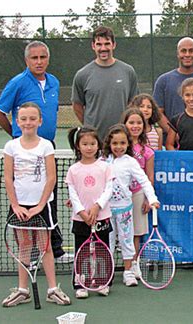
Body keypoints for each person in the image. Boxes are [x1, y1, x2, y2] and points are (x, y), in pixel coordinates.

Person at [0, 40, 67, 262]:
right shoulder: (17, 83)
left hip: (47, 149)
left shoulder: (53, 82)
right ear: (27, 60)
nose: (39, 61)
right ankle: (30, 252)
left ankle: (55, 249)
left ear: (48, 59)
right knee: (24, 195)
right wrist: (16, 137)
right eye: (34, 58)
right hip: (23, 151)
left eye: (42, 57)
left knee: (49, 196)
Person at [2, 102, 71, 307]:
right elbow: (7, 178)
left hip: (42, 206)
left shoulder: (46, 145)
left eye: (32, 118)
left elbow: (51, 178)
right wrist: (15, 205)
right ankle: (22, 290)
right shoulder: (11, 146)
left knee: (45, 247)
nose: (28, 122)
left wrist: (41, 205)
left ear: (40, 121)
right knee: (24, 246)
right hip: (20, 206)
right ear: (17, 121)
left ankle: (52, 289)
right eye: (23, 119)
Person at [102, 124, 160, 287]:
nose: (118, 147)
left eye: (122, 143)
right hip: (106, 212)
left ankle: (128, 272)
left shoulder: (131, 162)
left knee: (127, 241)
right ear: (109, 144)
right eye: (115, 143)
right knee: (109, 242)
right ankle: (108, 273)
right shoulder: (103, 161)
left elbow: (144, 181)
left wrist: (152, 198)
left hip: (125, 210)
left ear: (128, 144)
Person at [65, 126, 113, 299]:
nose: (89, 147)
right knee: (82, 251)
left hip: (102, 216)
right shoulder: (73, 170)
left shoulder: (105, 167)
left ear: (98, 145)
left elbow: (109, 189)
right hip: (81, 219)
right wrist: (82, 213)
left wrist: (97, 206)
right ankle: (81, 283)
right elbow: (73, 194)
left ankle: (102, 282)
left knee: (102, 250)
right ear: (78, 146)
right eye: (85, 144)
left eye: (92, 143)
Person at [72, 26, 139, 140]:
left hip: (121, 141)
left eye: (107, 43)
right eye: (99, 44)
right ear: (93, 46)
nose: (103, 48)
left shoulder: (128, 71)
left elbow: (133, 104)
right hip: (94, 142)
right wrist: (90, 127)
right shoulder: (82, 74)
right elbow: (77, 105)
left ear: (114, 44)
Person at [121, 108, 155, 279]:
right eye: (131, 122)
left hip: (138, 194)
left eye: (139, 123)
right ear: (125, 124)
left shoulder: (147, 151)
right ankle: (121, 265)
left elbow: (149, 176)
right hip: (119, 197)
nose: (135, 126)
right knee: (119, 231)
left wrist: (149, 198)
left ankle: (134, 263)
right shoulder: (119, 147)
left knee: (136, 231)